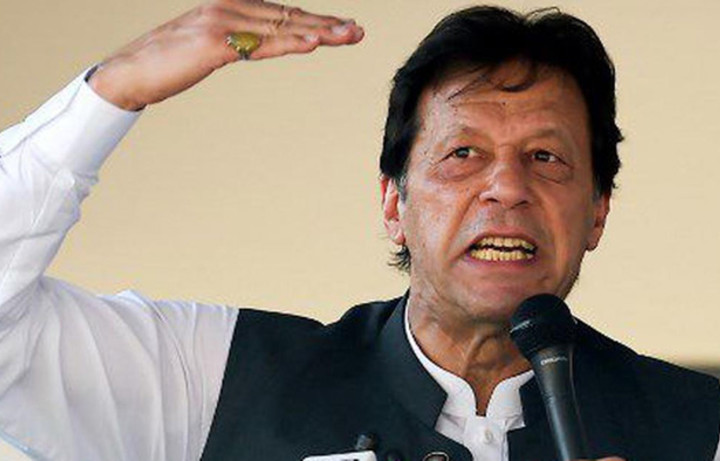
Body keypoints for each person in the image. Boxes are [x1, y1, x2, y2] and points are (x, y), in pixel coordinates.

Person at [0, 1, 717, 460]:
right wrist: (109, 94)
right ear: (392, 203)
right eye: (463, 154)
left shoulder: (699, 426)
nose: (507, 187)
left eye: (546, 158)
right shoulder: (215, 377)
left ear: (597, 211)